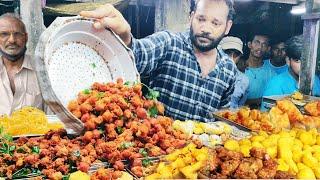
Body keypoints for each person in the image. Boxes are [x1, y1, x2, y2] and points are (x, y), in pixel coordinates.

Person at [80, 0, 237, 122]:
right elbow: (138, 55)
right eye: (201, 19)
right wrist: (125, 36)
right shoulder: (169, 43)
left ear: (228, 27)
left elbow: (221, 118)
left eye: (215, 23)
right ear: (191, 17)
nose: (206, 28)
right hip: (159, 153)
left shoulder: (229, 69)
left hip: (199, 157)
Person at [0, 13, 44, 115]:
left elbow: (53, 119)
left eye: (17, 34)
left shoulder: (43, 71)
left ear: (26, 38)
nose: (12, 40)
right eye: (4, 34)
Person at [244, 33, 276, 109]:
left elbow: (272, 101)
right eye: (257, 42)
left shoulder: (272, 74)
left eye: (264, 44)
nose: (260, 47)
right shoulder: (239, 68)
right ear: (249, 45)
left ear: (268, 49)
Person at [219, 36, 249, 108]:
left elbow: (239, 107)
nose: (231, 58)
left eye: (236, 54)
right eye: (227, 53)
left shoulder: (244, 80)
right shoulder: (209, 73)